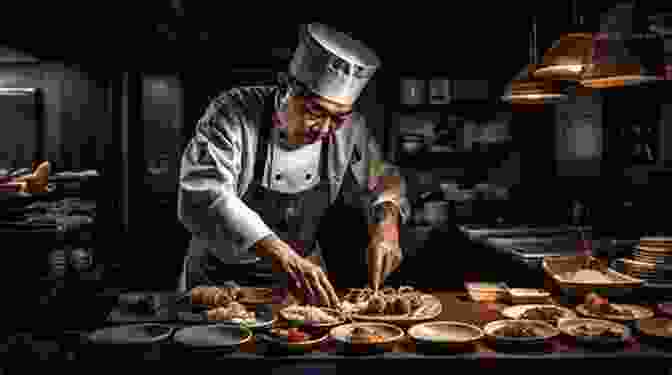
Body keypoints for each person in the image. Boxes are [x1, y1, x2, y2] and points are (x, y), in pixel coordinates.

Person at [177, 23, 410, 308]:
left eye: (338, 117)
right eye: (316, 111)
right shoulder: (231, 112)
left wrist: (387, 223)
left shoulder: (350, 129)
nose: (325, 129)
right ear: (286, 88)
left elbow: (382, 180)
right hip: (219, 278)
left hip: (303, 281)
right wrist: (282, 256)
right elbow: (206, 191)